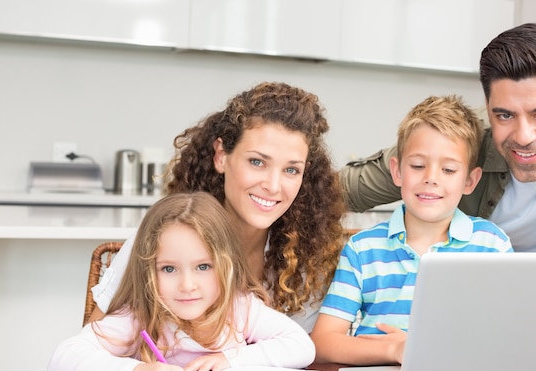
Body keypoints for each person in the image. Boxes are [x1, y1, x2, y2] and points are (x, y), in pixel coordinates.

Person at [340, 22, 536, 254]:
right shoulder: (458, 137)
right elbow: (333, 192)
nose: (524, 137)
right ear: (487, 110)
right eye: (505, 116)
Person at [90, 81, 347, 333]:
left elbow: (301, 354)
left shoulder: (306, 257)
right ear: (221, 156)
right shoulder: (161, 239)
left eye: (291, 169)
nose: (273, 185)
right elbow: (93, 344)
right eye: (257, 162)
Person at [48, 192, 315, 371]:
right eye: (168, 268)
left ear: (227, 265)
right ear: (147, 271)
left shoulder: (238, 308)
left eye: (203, 267)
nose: (187, 285)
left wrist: (229, 359)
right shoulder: (140, 315)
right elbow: (63, 359)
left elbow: (302, 346)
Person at [311, 95, 513, 366]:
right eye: (418, 166)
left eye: (449, 169)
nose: (431, 177)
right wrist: (394, 351)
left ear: (470, 180)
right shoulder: (362, 249)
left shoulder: (492, 246)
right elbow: (322, 342)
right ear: (397, 171)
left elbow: (508, 336)